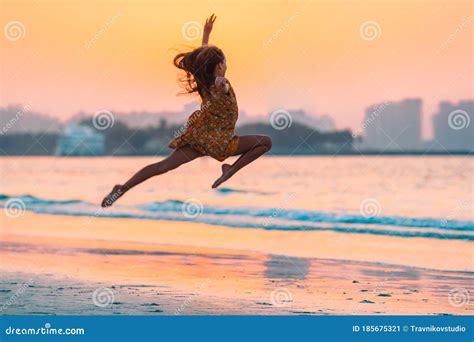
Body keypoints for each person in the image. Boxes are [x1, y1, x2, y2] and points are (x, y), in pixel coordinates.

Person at [101, 14, 272, 208]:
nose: (226, 64)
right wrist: (222, 82)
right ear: (219, 66)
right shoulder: (220, 83)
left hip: (199, 139)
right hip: (222, 144)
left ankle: (122, 188)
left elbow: (203, 61)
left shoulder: (204, 81)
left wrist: (206, 34)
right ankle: (230, 170)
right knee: (265, 142)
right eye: (224, 61)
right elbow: (221, 86)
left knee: (163, 166)